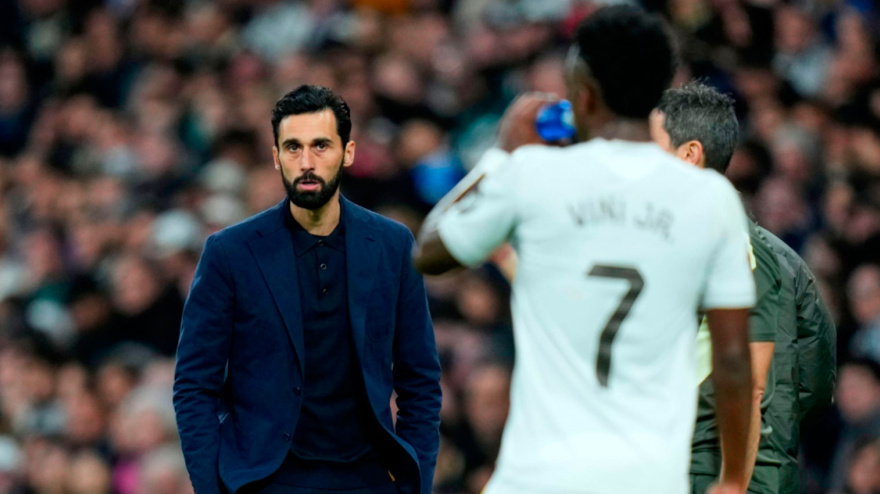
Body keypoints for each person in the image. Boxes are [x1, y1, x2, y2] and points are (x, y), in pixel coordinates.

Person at [414, 6, 756, 494]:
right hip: (649, 479)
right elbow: (732, 357)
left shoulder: (533, 176)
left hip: (537, 476)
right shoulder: (711, 199)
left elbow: (429, 250)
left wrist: (502, 156)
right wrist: (734, 480)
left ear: (585, 95)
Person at [173, 85, 442, 494]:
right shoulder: (230, 252)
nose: (307, 162)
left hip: (368, 479)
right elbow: (195, 384)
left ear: (347, 152)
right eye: (293, 148)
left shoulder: (392, 244)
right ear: (276, 156)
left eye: (320, 146)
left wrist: (414, 484)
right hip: (266, 481)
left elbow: (419, 378)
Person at [649, 81, 836, 494]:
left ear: (689, 155)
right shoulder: (782, 258)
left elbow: (751, 383)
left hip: (712, 474)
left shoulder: (718, 248)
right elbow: (817, 384)